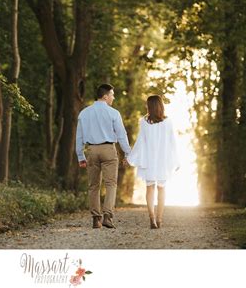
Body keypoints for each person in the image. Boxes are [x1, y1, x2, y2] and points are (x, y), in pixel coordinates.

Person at [76, 84, 132, 229]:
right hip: (108, 149)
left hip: (92, 150)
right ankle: (107, 216)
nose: (113, 97)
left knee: (93, 185)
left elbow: (79, 137)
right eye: (112, 95)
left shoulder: (84, 113)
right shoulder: (113, 113)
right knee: (111, 184)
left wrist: (80, 156)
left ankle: (96, 218)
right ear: (105, 96)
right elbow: (121, 135)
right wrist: (128, 153)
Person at [127, 95, 180, 229]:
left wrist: (130, 157)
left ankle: (152, 218)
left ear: (150, 107)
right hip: (163, 160)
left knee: (150, 189)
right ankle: (159, 219)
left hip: (149, 160)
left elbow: (140, 142)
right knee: (161, 189)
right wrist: (177, 160)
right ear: (161, 106)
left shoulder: (144, 122)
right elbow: (173, 142)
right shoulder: (168, 122)